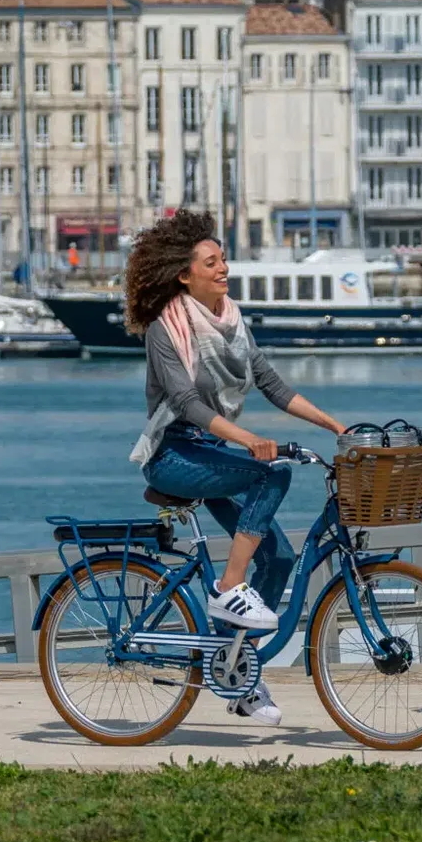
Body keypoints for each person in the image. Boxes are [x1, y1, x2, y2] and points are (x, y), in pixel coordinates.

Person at [122, 208, 348, 723]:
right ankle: (229, 588)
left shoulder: (232, 320)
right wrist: (248, 439)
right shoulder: (166, 329)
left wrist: (335, 427)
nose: (223, 268)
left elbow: (271, 384)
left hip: (211, 451)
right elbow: (185, 404)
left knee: (282, 559)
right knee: (273, 473)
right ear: (185, 275)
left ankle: (238, 670)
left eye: (223, 258)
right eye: (211, 262)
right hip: (174, 454)